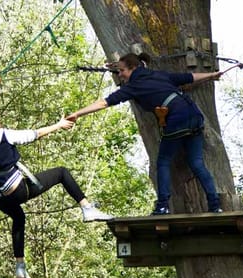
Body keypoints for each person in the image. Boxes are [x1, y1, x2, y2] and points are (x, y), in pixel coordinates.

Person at [0, 80, 113, 278]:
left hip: (0, 198)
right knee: (61, 173)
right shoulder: (3, 135)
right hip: (16, 190)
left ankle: (20, 266)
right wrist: (60, 125)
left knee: (18, 219)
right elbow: (35, 134)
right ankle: (87, 208)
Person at [67, 53, 223, 216]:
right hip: (194, 115)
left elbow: (104, 102)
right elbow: (189, 77)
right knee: (196, 163)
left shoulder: (134, 86)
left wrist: (77, 113)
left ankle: (162, 206)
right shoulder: (159, 75)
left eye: (121, 71)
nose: (120, 75)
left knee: (163, 161)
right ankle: (215, 205)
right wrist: (212, 75)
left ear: (133, 68)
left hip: (177, 119)